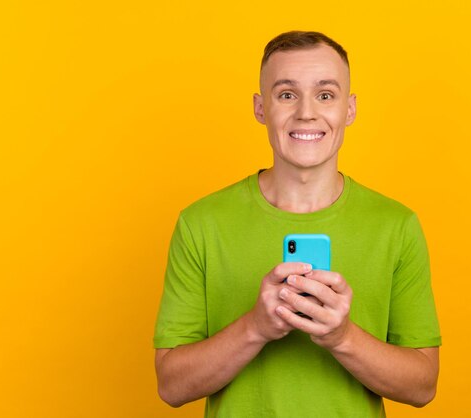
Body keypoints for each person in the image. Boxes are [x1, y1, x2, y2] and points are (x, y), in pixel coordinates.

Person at [153, 31, 441, 417]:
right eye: (286, 94)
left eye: (326, 95)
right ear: (260, 108)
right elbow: (171, 385)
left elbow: (423, 386)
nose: (307, 112)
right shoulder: (200, 224)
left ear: (349, 109)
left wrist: (342, 337)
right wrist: (256, 327)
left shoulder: (397, 225)